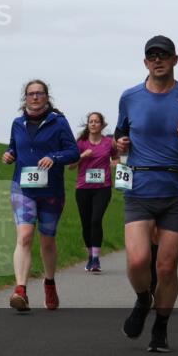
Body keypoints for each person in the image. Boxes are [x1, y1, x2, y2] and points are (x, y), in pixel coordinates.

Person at [114, 36, 178, 353]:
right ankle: (144, 298)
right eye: (151, 56)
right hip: (140, 188)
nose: (157, 60)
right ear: (145, 62)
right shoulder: (130, 97)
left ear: (175, 59)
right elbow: (121, 132)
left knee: (167, 268)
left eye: (163, 55)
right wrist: (121, 144)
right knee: (137, 260)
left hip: (175, 190)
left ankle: (160, 328)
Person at [1, 81, 79, 309]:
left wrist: (54, 157)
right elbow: (14, 147)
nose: (35, 97)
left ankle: (49, 282)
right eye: (31, 94)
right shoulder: (18, 123)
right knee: (24, 236)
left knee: (47, 240)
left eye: (39, 93)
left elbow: (73, 152)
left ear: (47, 97)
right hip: (22, 187)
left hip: (51, 190)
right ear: (25, 98)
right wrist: (9, 154)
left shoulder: (59, 123)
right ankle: (20, 291)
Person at [68, 112, 118, 273]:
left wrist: (114, 164)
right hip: (83, 189)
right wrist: (83, 156)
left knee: (96, 220)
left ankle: (96, 259)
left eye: (97, 122)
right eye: (91, 121)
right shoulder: (81, 143)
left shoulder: (109, 143)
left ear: (102, 125)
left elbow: (117, 158)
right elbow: (70, 166)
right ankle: (90, 256)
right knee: (86, 223)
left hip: (103, 188)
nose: (94, 124)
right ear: (88, 125)